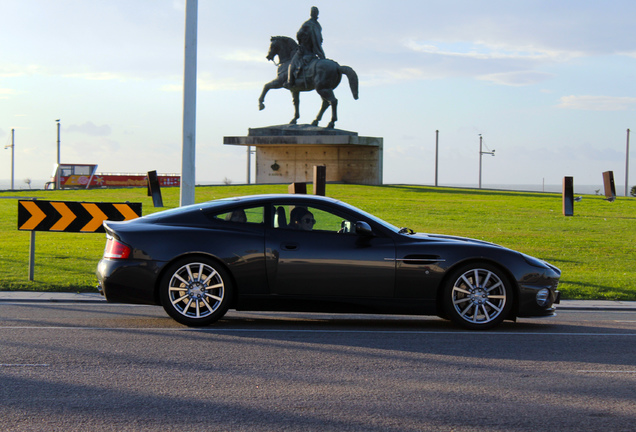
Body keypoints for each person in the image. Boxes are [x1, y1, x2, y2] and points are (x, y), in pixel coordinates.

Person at [288, 6, 325, 87]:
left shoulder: (307, 24)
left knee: (292, 64)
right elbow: (321, 39)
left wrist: (302, 41)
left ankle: (290, 82)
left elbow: (298, 35)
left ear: (311, 13)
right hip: (315, 51)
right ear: (317, 14)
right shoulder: (318, 26)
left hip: (304, 50)